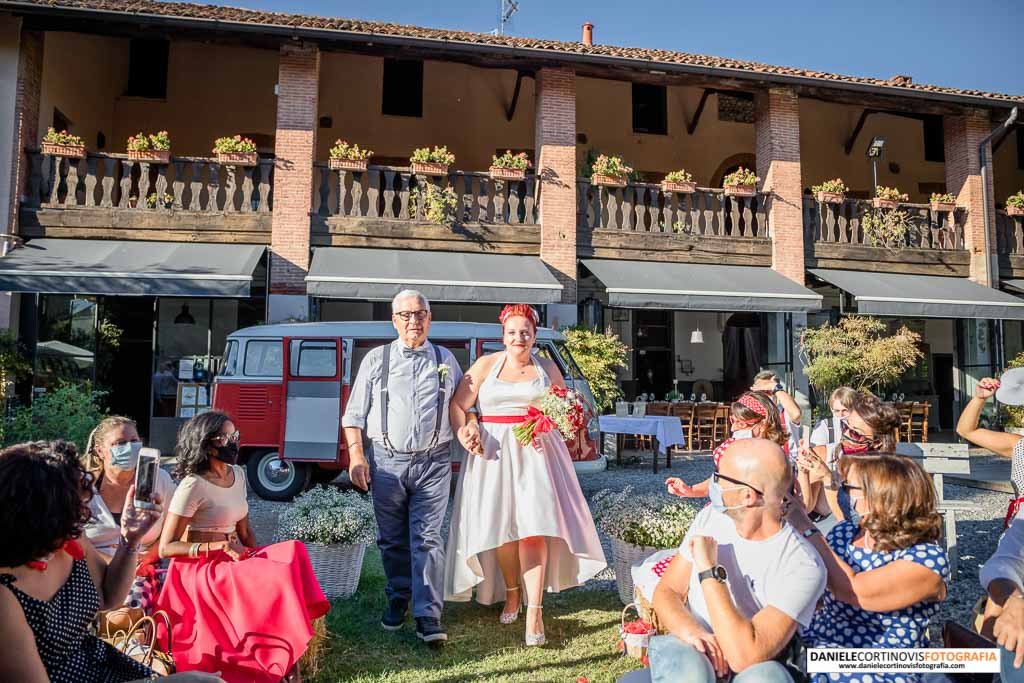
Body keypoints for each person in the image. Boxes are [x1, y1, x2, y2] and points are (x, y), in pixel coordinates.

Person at [446, 303, 606, 646]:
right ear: (503, 336)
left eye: (526, 332)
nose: (519, 337)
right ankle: (512, 592)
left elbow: (563, 409)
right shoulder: (486, 366)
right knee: (503, 531)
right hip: (494, 455)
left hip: (538, 456)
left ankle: (535, 610)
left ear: (534, 335)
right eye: (513, 332)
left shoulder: (548, 367)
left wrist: (564, 418)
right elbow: (459, 406)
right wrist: (466, 429)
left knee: (535, 530)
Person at [0, 439, 219, 683]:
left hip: (98, 663)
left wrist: (130, 539)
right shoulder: (4, 594)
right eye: (77, 504)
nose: (87, 511)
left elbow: (109, 597)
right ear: (36, 514)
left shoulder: (67, 538)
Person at [157, 412, 329, 683]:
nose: (234, 442)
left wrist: (260, 560)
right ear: (207, 443)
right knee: (273, 576)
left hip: (232, 554)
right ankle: (282, 664)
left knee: (292, 552)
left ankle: (288, 654)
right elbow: (166, 548)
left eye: (235, 435)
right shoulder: (192, 485)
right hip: (200, 568)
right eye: (226, 437)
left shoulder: (238, 473)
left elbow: (245, 531)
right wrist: (219, 547)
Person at [637, 439, 825, 683]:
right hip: (695, 648)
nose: (713, 484)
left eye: (720, 478)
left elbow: (743, 656)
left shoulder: (802, 564)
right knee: (692, 672)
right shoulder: (711, 518)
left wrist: (709, 572)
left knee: (765, 678)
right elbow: (667, 590)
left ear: (747, 495)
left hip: (757, 660)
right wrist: (693, 633)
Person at [342, 289, 463, 644]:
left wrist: (471, 427)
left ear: (430, 318)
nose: (414, 321)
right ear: (394, 320)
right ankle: (398, 598)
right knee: (392, 539)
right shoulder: (376, 360)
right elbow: (353, 414)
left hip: (434, 461)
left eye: (420, 314)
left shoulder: (445, 358)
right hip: (386, 461)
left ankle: (428, 616)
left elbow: (462, 405)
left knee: (427, 538)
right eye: (406, 315)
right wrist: (356, 456)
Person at [787, 454, 949, 682]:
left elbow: (854, 591)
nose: (843, 494)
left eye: (849, 487)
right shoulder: (844, 533)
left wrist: (805, 526)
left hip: (884, 662)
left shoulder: (927, 559)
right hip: (821, 643)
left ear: (883, 497)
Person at [957, 376, 1024, 681]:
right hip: (1019, 531)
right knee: (996, 604)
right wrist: (980, 397)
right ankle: (982, 673)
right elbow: (966, 430)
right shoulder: (1019, 446)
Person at [83, 416, 176, 622]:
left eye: (134, 441)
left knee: (132, 609)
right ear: (100, 450)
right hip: (93, 567)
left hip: (145, 565)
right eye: (120, 443)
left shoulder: (159, 480)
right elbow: (74, 542)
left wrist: (148, 557)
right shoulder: (84, 488)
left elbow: (175, 529)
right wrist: (118, 562)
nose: (130, 448)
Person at [798, 391, 901, 523]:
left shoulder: (885, 472)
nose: (846, 434)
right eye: (845, 426)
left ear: (877, 443)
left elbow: (850, 522)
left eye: (855, 433)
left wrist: (828, 477)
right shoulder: (826, 454)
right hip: (824, 530)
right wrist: (803, 469)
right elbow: (804, 507)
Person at [665, 390, 788, 499]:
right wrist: (690, 490)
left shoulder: (775, 461)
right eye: (732, 421)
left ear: (763, 424)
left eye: (741, 423)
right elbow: (722, 479)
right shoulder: (743, 451)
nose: (733, 428)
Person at [751, 370, 802, 455]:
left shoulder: (784, 411)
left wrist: (774, 386)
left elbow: (796, 414)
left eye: (768, 391)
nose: (764, 396)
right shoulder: (751, 413)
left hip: (787, 463)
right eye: (760, 392)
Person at [809, 386, 856, 451]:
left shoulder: (861, 426)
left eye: (845, 410)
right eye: (837, 411)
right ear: (831, 408)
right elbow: (817, 453)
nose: (840, 415)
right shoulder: (824, 426)